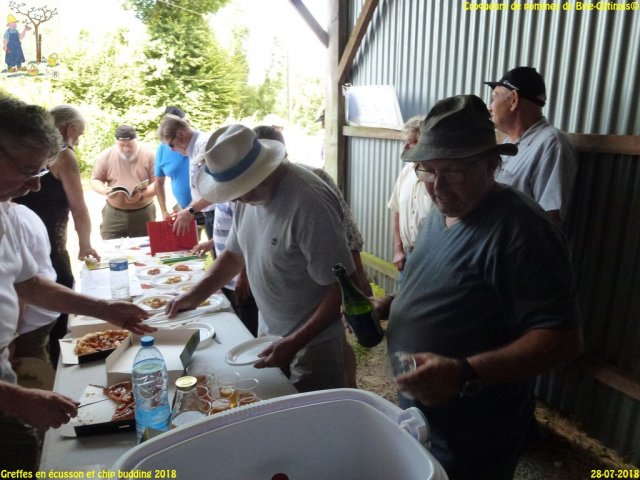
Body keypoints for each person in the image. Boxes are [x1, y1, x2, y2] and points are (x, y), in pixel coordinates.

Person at [375, 95, 583, 480]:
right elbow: (442, 281)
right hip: (423, 417)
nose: (438, 187)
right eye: (427, 171)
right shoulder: (442, 213)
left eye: (453, 171)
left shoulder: (521, 231)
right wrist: (392, 304)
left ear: (491, 163)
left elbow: (562, 339)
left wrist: (463, 371)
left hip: (475, 431)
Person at [0, 96, 153, 471]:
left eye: (41, 172)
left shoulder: (6, 214)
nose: (36, 186)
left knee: (25, 451)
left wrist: (105, 309)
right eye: (28, 171)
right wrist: (15, 398)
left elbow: (29, 284)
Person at [166, 124, 355, 392]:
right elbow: (233, 256)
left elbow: (342, 289)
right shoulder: (246, 199)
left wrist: (295, 342)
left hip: (314, 343)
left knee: (311, 412)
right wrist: (194, 296)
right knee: (273, 403)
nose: (238, 198)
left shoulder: (309, 202)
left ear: (263, 170)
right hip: (270, 331)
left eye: (242, 188)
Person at [253, 125, 370, 387]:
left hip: (322, 298)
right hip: (281, 319)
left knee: (338, 353)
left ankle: (348, 388)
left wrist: (358, 279)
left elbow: (347, 231)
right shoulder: (253, 191)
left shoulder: (312, 181)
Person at [15, 104, 100, 366]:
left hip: (28, 246)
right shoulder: (63, 156)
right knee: (53, 329)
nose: (35, 183)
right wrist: (85, 243)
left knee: (28, 337)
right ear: (69, 128)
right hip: (49, 252)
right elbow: (79, 208)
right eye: (79, 134)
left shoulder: (24, 153)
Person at [485, 66, 578, 224]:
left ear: (514, 100)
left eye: (495, 97)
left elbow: (550, 216)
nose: (490, 106)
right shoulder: (509, 142)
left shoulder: (552, 144)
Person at [90, 124, 156, 240]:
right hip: (113, 212)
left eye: (130, 145)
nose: (126, 149)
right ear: (116, 142)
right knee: (109, 245)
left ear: (136, 140)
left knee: (144, 246)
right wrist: (103, 190)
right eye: (122, 145)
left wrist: (142, 195)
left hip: (143, 212)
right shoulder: (105, 156)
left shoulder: (150, 154)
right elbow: (96, 179)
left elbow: (158, 183)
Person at [157, 114, 214, 239]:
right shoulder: (192, 148)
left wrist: (190, 211)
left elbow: (216, 189)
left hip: (216, 212)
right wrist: (186, 210)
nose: (171, 150)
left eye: (171, 145)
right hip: (209, 213)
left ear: (181, 135)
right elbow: (199, 190)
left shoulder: (203, 145)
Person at [387, 115, 432, 275]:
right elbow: (397, 211)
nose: (405, 147)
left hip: (432, 256)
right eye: (404, 142)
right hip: (408, 255)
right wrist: (398, 249)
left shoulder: (438, 179)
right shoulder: (406, 172)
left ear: (426, 144)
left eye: (412, 142)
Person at [154, 106, 192, 219]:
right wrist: (164, 210)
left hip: (209, 210)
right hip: (183, 210)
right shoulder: (162, 149)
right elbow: (159, 183)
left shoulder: (199, 143)